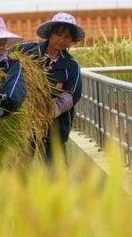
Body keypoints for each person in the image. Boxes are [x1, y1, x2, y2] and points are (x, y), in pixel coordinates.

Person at [19, 12, 84, 163]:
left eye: (67, 37)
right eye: (58, 34)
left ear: (71, 41)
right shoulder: (27, 52)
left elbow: (73, 94)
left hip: (54, 122)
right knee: (22, 164)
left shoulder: (71, 66)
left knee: (54, 167)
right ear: (50, 34)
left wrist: (47, 112)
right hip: (26, 120)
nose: (61, 40)